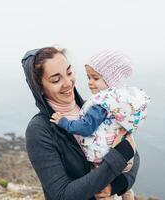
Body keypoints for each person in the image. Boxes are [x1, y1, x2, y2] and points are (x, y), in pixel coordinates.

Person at [21, 47, 139, 200]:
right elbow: (62, 194)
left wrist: (116, 186)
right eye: (56, 79)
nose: (68, 83)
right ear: (40, 88)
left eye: (69, 72)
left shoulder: (92, 109)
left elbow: (132, 150)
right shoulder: (39, 130)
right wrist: (117, 158)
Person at [50, 50, 151, 200]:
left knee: (103, 192)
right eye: (88, 77)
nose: (90, 82)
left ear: (112, 79)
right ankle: (127, 193)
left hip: (103, 158)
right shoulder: (122, 99)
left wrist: (63, 122)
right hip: (125, 159)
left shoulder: (101, 104)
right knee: (120, 183)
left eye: (95, 78)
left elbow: (86, 127)